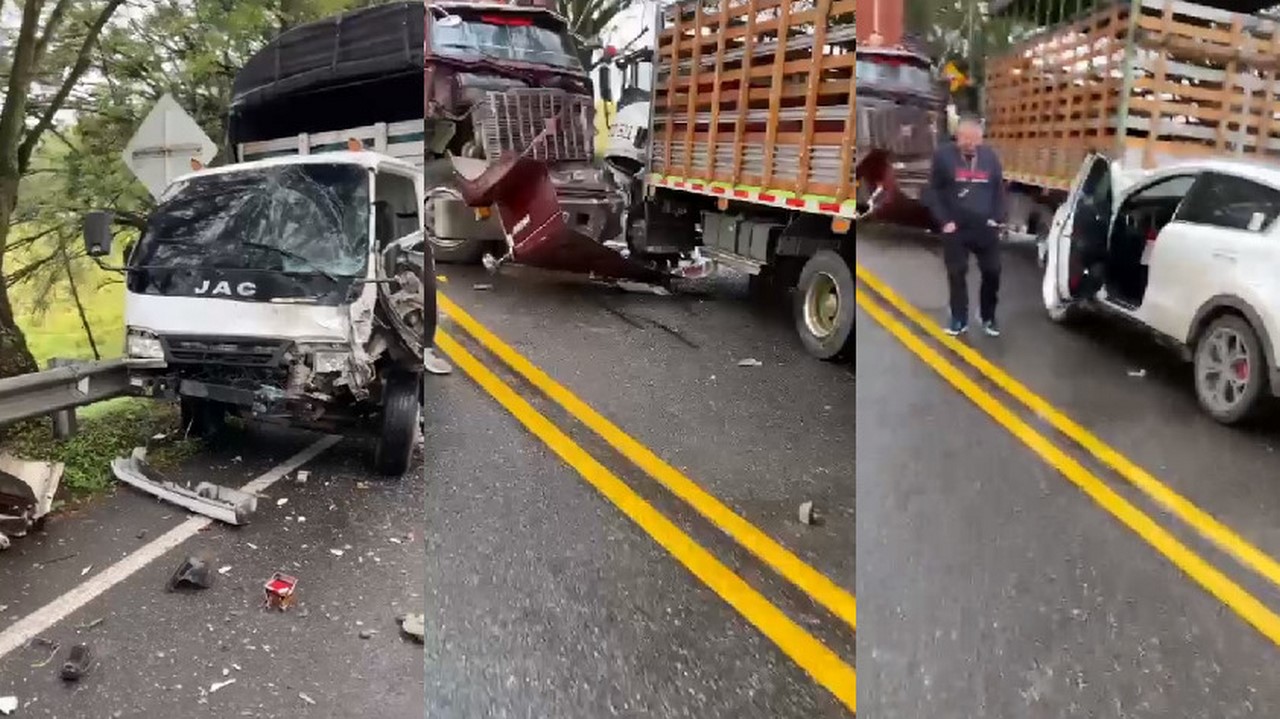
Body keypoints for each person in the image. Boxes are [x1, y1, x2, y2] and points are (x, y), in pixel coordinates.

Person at [923, 117, 1006, 336]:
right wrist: (944, 220)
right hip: (956, 227)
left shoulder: (990, 158)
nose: (969, 143)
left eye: (974, 138)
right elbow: (933, 192)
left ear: (981, 138)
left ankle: (987, 316)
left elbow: (999, 190)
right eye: (965, 138)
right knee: (957, 272)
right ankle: (959, 318)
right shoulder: (943, 156)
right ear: (957, 137)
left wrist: (997, 218)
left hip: (984, 227)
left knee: (993, 271)